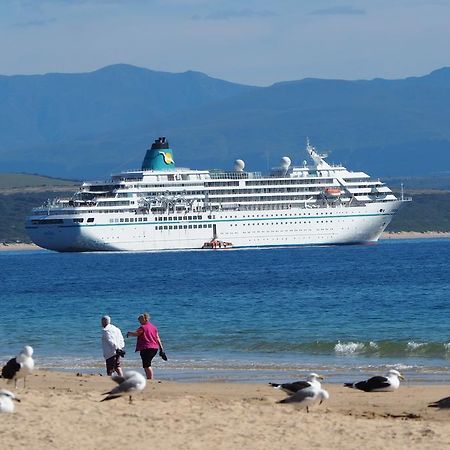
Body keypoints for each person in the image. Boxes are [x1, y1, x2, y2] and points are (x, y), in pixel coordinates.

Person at [126, 312, 165, 380]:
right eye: (139, 320)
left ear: (145, 319)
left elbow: (137, 334)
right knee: (147, 364)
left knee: (146, 365)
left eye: (140, 320)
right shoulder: (154, 327)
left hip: (146, 348)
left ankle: (150, 379)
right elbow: (158, 338)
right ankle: (149, 378)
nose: (139, 321)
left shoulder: (142, 327)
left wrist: (129, 333)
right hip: (154, 348)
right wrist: (161, 348)